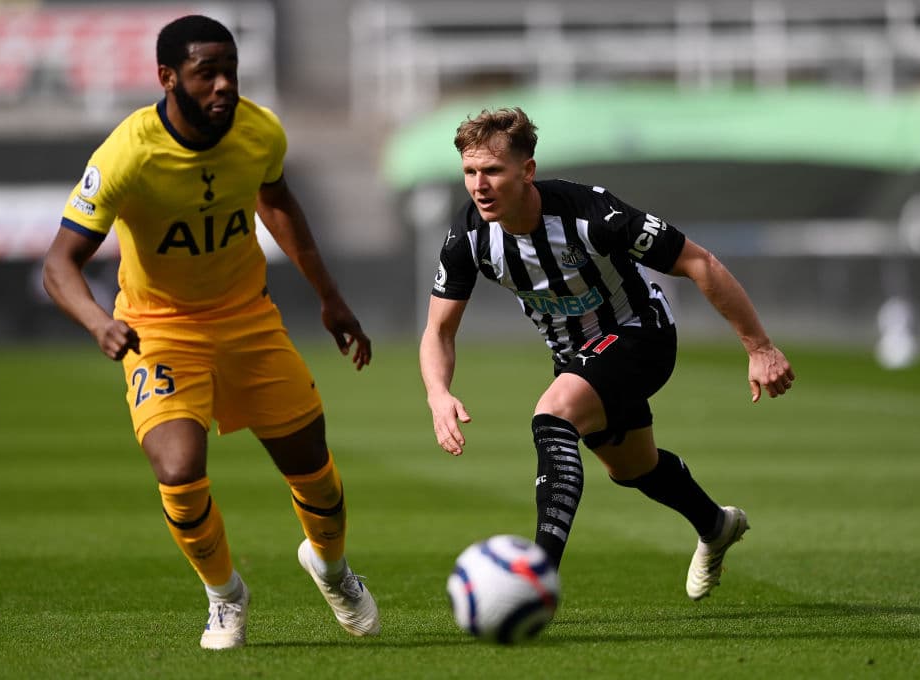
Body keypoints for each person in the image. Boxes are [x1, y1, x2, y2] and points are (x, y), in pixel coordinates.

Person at [42, 15, 380, 649]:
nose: (223, 85)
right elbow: (59, 264)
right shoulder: (127, 153)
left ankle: (333, 570)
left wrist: (330, 298)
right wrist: (98, 322)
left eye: (230, 71)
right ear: (168, 78)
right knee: (178, 469)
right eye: (207, 74)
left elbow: (276, 202)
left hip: (248, 317)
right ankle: (225, 596)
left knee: (311, 464)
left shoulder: (259, 131)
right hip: (159, 328)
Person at [419, 107, 795, 602]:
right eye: (470, 172)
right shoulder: (469, 235)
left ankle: (537, 580)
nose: (478, 185)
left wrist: (759, 347)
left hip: (641, 334)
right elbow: (439, 330)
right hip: (575, 355)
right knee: (633, 468)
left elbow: (698, 262)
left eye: (492, 170)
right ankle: (715, 525)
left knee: (552, 415)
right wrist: (438, 393)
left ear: (527, 170)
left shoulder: (592, 215)